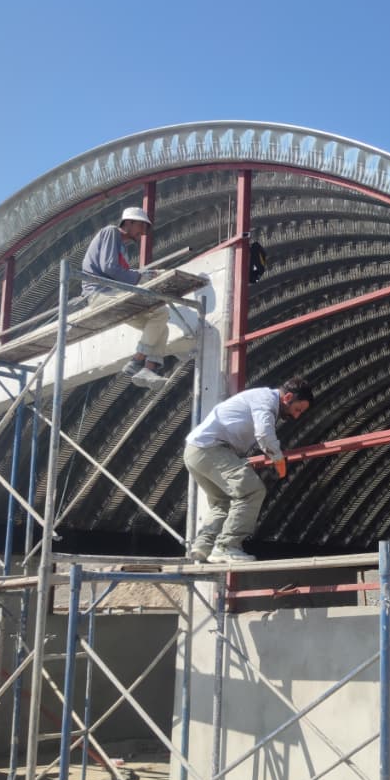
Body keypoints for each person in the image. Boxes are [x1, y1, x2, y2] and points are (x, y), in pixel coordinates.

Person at [183, 377, 314, 563]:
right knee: (251, 491)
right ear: (288, 397)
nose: (296, 416)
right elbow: (264, 434)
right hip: (211, 449)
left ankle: (202, 547)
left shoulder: (258, 397)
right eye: (297, 409)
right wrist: (278, 459)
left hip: (194, 452)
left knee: (222, 502)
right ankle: (227, 546)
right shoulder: (266, 400)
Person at [81, 206, 170, 389]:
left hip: (112, 296)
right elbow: (109, 268)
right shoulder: (111, 232)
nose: (142, 232)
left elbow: (119, 272)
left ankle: (148, 370)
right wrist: (138, 277)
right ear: (128, 222)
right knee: (160, 312)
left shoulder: (122, 249)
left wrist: (142, 275)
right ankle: (137, 360)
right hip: (101, 294)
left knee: (162, 327)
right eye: (141, 226)